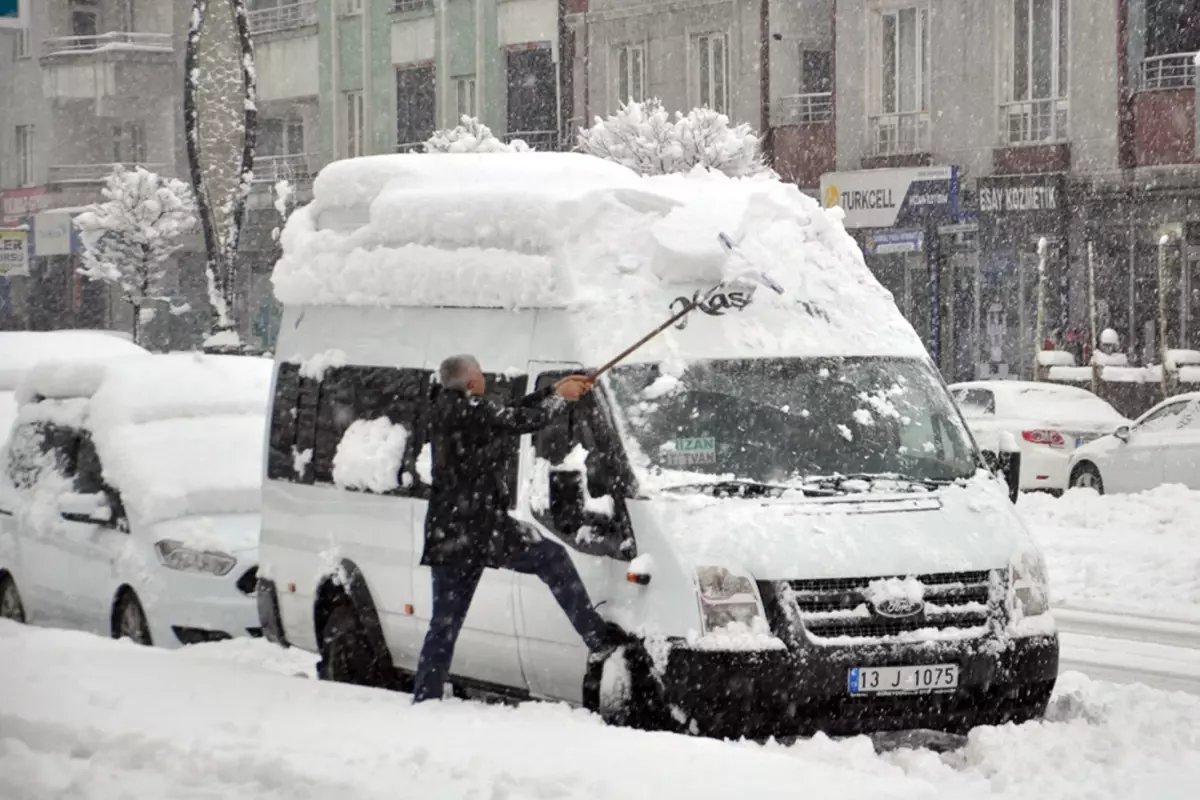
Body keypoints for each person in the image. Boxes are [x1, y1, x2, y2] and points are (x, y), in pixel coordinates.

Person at [413, 354, 617, 703]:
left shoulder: (453, 408)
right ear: (472, 383)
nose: (484, 379)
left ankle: (426, 696)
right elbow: (522, 420)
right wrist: (561, 399)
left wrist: (553, 389)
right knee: (553, 559)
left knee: (444, 623)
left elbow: (507, 412)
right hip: (481, 529)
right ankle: (598, 640)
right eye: (480, 374)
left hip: (450, 534)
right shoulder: (467, 411)